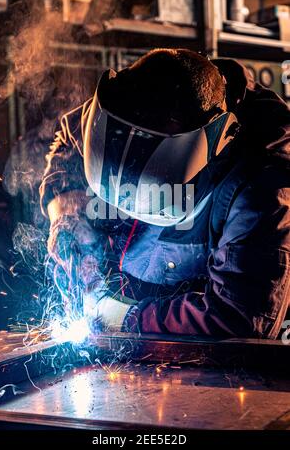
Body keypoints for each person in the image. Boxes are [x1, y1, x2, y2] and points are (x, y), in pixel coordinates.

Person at [40, 49, 290, 338]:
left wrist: (125, 317)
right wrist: (66, 214)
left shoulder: (262, 183)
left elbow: (241, 317)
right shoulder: (119, 109)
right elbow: (68, 139)